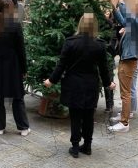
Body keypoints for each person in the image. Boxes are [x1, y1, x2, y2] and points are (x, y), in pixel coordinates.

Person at [44, 12, 116, 158]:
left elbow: (61, 65)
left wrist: (51, 81)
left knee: (75, 115)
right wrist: (109, 83)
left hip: (74, 85)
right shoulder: (100, 45)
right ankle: (88, 146)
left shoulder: (70, 42)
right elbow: (104, 68)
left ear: (81, 24)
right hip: (91, 85)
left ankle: (75, 147)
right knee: (89, 116)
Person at [0, 0, 30, 136]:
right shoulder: (15, 25)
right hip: (12, 65)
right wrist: (24, 68)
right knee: (17, 96)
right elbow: (20, 50)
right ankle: (23, 127)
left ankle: (0, 127)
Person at [108, 0, 138, 132]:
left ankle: (124, 123)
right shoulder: (136, 23)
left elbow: (126, 13)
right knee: (125, 91)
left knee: (126, 92)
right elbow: (122, 18)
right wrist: (113, 8)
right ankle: (124, 116)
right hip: (126, 58)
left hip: (129, 60)